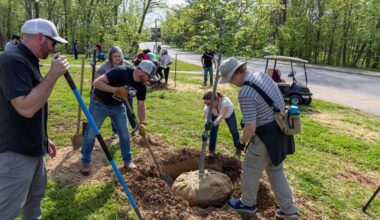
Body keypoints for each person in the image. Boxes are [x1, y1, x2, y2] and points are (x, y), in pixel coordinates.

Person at [0, 18, 69, 219]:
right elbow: (26, 107)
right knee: (6, 211)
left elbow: (34, 104)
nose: (53, 47)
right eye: (52, 42)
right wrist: (53, 74)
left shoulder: (27, 60)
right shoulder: (12, 61)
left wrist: (44, 138)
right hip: (15, 152)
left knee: (33, 201)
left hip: (32, 148)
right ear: (40, 37)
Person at [220, 58, 298, 219]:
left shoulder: (245, 92)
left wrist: (240, 142)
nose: (231, 83)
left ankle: (247, 204)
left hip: (264, 138)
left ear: (236, 73)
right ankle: (289, 210)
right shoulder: (262, 76)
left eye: (230, 79)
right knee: (276, 170)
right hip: (280, 131)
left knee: (249, 170)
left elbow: (250, 127)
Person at [80, 60, 158, 176]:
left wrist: (142, 122)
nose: (149, 80)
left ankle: (128, 161)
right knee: (91, 133)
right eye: (149, 77)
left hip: (118, 107)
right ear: (142, 71)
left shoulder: (142, 86)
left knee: (125, 134)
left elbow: (141, 104)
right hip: (99, 104)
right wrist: (115, 90)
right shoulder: (120, 72)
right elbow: (96, 83)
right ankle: (85, 161)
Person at [96, 46, 136, 138]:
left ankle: (134, 129)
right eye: (115, 56)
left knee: (130, 111)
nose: (118, 58)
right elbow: (97, 78)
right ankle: (115, 132)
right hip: (113, 93)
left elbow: (135, 74)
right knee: (114, 112)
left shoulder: (127, 65)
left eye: (119, 56)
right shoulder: (106, 65)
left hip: (126, 92)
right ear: (111, 56)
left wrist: (130, 91)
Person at [202, 90, 241, 158]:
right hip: (215, 114)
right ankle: (211, 151)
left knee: (234, 130)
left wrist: (213, 125)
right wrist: (206, 128)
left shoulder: (225, 103)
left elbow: (221, 116)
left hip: (228, 114)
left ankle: (239, 148)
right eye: (205, 103)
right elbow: (206, 119)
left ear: (216, 100)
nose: (207, 105)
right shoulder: (207, 108)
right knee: (213, 131)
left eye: (208, 103)